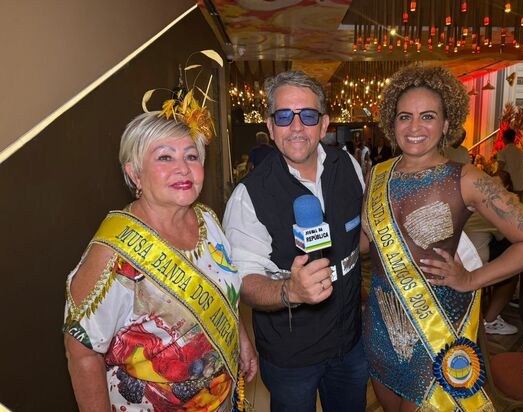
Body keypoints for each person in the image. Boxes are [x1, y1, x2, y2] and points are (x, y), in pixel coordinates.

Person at [361, 65, 523, 411]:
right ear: (392, 122)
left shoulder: (464, 178)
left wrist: (472, 279)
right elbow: (367, 242)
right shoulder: (378, 174)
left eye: (428, 116)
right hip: (382, 323)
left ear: (447, 124)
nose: (415, 127)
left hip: (436, 327)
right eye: (405, 116)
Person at [63, 93, 257, 411]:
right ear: (135, 174)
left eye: (191, 156)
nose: (183, 169)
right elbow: (82, 351)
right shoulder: (112, 254)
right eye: (165, 157)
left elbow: (224, 293)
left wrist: (241, 342)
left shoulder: (207, 219)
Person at [223, 70, 368, 412]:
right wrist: (292, 291)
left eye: (308, 115)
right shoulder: (248, 196)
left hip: (350, 345)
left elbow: (359, 238)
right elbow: (244, 282)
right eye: (285, 116)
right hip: (291, 358)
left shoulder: (347, 165)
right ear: (271, 127)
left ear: (324, 123)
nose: (297, 126)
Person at [497, 128, 523, 200]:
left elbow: (500, 168)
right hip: (520, 186)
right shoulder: (521, 153)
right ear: (513, 138)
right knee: (518, 209)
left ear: (504, 138)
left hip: (508, 187)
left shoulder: (502, 152)